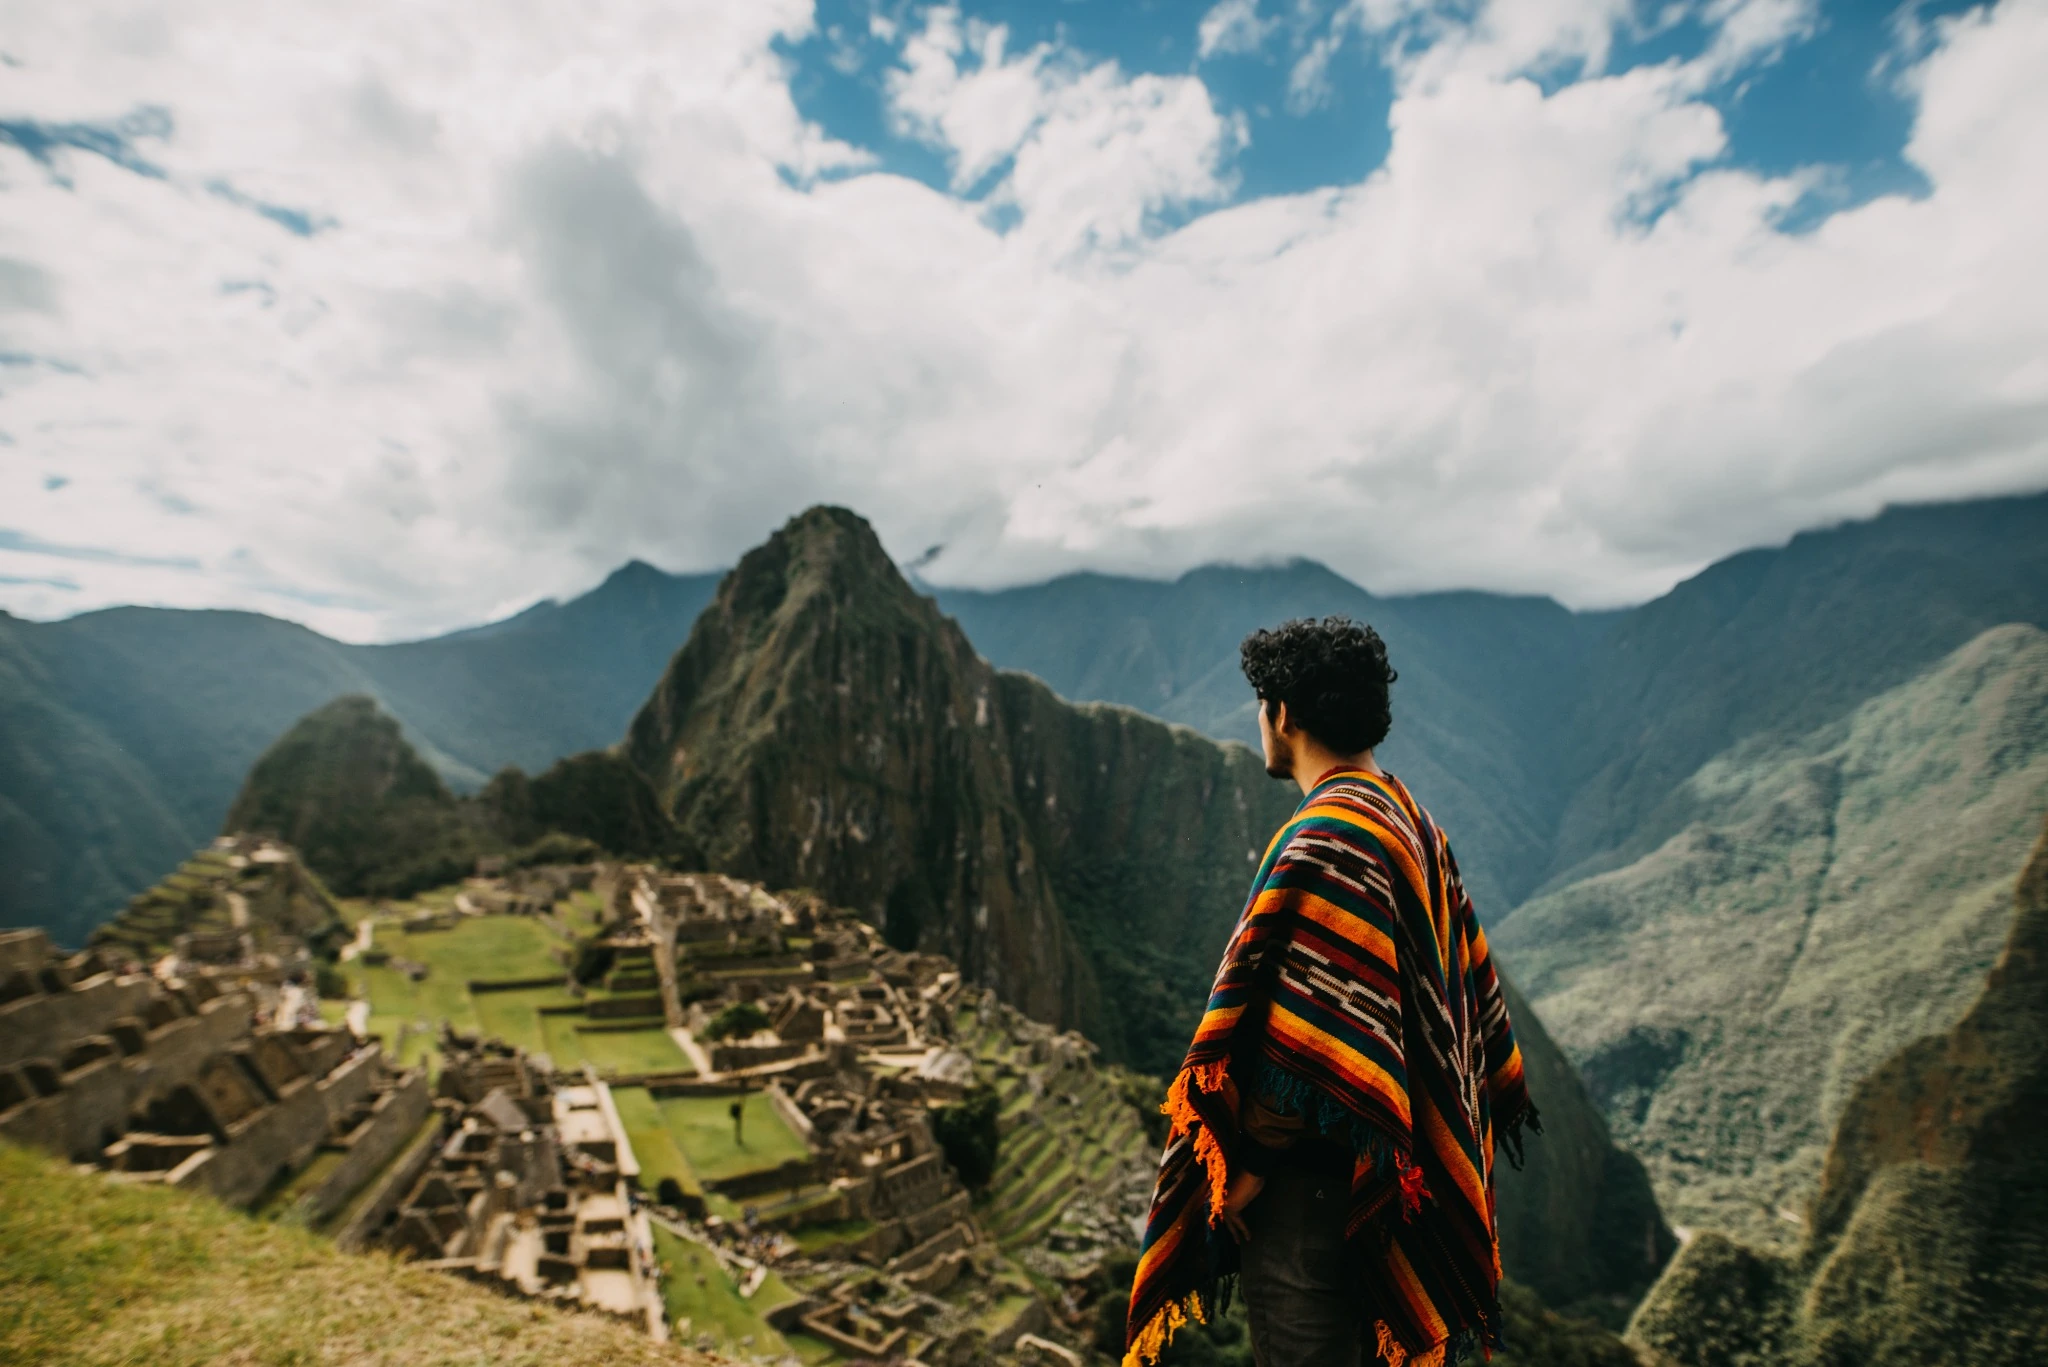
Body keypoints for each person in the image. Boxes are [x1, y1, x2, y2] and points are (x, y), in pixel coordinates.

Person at [1125, 616, 1539, 1367]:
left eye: (1261, 704)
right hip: (1384, 1189)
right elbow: (1465, 1007)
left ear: (1283, 713)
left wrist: (1242, 1172)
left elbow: (1309, 1042)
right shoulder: (1407, 817)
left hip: (1315, 1204)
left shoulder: (1329, 837)